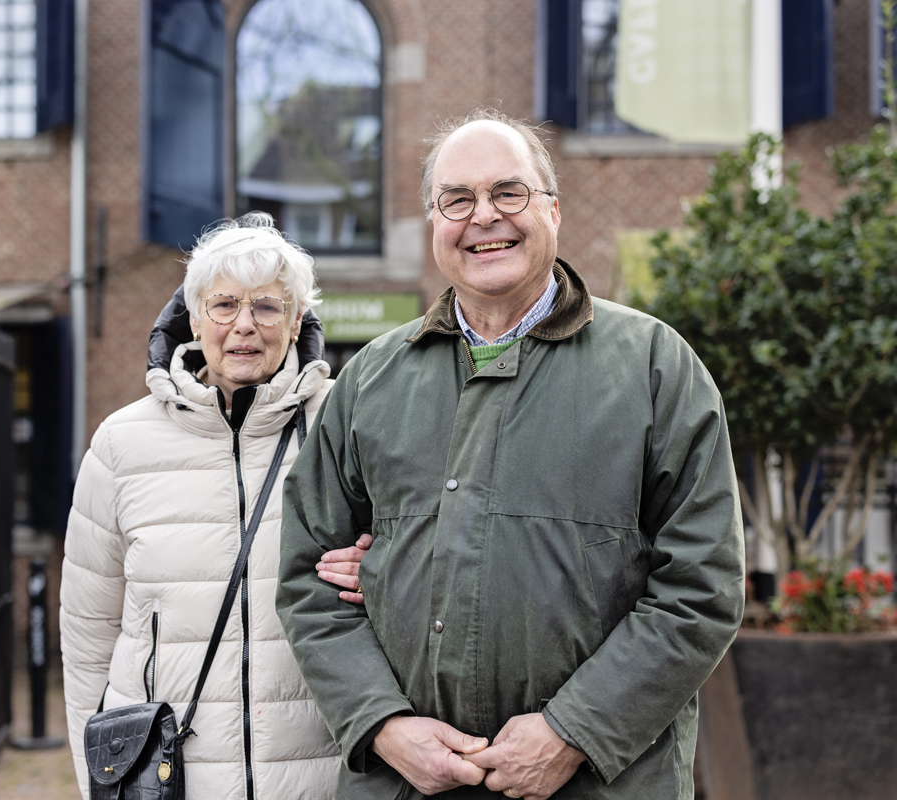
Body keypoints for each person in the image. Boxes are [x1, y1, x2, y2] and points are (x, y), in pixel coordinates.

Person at [276, 108, 746, 800]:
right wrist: (381, 723)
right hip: (404, 787)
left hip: (598, 784)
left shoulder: (653, 368)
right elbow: (306, 579)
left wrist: (575, 731)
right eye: (457, 200)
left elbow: (702, 588)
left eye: (508, 193)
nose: (483, 217)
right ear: (435, 224)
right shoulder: (372, 379)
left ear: (552, 210)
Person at [61, 213, 351, 800]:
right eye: (224, 305)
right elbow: (89, 632)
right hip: (171, 777)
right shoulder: (120, 444)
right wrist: (96, 775)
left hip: (316, 771)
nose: (244, 326)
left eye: (267, 307)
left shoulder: (345, 427)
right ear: (194, 318)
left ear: (296, 321)